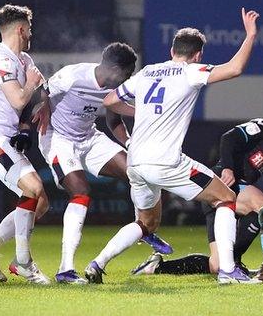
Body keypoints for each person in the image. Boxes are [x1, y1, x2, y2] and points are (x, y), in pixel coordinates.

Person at [83, 8, 261, 285]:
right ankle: (228, 271)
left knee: (146, 224)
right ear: (198, 55)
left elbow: (109, 102)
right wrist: (250, 35)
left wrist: (140, 113)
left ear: (171, 49)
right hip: (166, 163)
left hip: (136, 163)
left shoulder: (148, 72)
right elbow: (235, 68)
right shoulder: (191, 72)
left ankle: (98, 263)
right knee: (225, 198)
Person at [132, 94, 263, 276]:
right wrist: (228, 168)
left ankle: (158, 267)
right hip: (221, 186)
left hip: (235, 194)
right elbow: (229, 138)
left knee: (217, 265)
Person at [34, 42, 172, 284]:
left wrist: (129, 144)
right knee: (80, 191)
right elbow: (40, 91)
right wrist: (39, 109)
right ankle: (65, 269)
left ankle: (143, 228)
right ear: (116, 69)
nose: (128, 79)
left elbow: (113, 119)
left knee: (138, 170)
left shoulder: (113, 88)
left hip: (89, 138)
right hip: (58, 139)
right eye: (128, 74)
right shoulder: (73, 76)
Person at [0, 4, 51, 285]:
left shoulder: (24, 58)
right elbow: (19, 99)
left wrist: (28, 124)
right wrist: (30, 85)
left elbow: (37, 96)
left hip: (9, 139)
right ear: (20, 29)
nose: (32, 33)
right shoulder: (0, 60)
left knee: (40, 204)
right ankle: (24, 263)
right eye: (30, 28)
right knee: (34, 188)